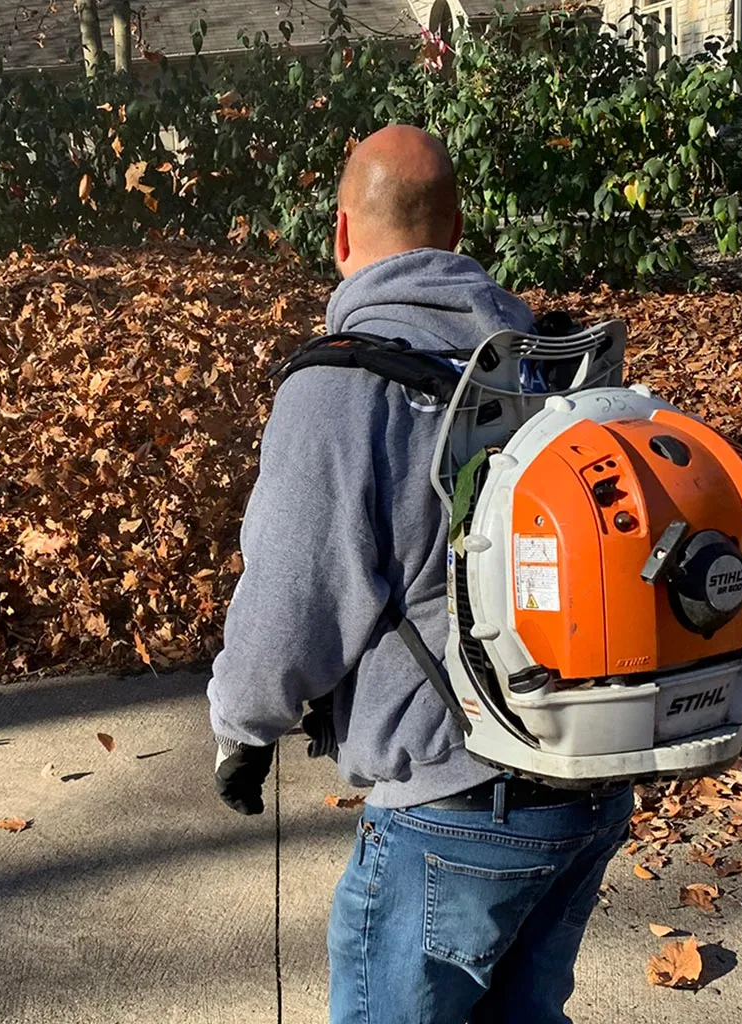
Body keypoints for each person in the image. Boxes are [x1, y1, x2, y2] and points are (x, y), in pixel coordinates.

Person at [206, 125, 632, 1024]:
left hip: (453, 804)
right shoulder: (544, 364)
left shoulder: (337, 390)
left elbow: (288, 614)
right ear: (457, 228)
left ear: (340, 234)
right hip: (584, 784)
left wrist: (241, 729)